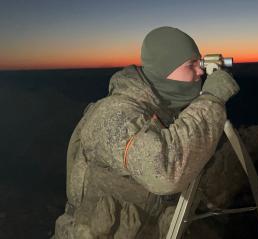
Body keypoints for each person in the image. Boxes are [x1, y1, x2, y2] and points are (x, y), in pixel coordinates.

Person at [53, 26, 239, 238]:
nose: (200, 71)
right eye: (192, 65)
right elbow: (165, 173)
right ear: (164, 69)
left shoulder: (164, 110)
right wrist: (211, 101)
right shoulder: (114, 114)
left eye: (200, 63)